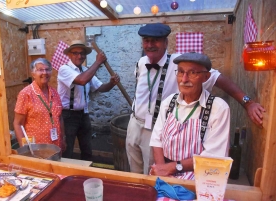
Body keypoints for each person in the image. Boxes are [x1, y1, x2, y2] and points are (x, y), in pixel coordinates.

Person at [126, 23, 265, 175]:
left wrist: (248, 103)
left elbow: (218, 78)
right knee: (134, 171)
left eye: (155, 41)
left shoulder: (181, 62)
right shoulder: (141, 63)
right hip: (134, 123)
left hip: (154, 128)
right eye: (146, 40)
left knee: (150, 173)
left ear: (166, 43)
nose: (150, 45)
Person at [149, 52, 230, 179]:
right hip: (165, 171)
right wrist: (162, 170)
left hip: (199, 175)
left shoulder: (218, 108)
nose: (184, 79)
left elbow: (213, 157)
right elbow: (156, 140)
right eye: (181, 72)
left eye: (192, 73)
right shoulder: (168, 103)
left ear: (206, 77)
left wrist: (173, 168)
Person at [58, 40, 120, 160]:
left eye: (82, 53)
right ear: (69, 55)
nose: (79, 56)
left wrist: (112, 83)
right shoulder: (64, 69)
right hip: (68, 116)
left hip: (84, 115)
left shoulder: (86, 70)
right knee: (68, 149)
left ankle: (87, 175)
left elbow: (101, 88)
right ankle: (67, 176)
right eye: (75, 53)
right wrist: (98, 62)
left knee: (87, 149)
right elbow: (82, 80)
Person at [13, 58, 66, 151]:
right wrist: (25, 148)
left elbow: (59, 117)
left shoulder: (54, 92)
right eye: (40, 70)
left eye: (47, 69)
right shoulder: (26, 94)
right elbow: (18, 124)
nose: (45, 73)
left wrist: (63, 139)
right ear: (33, 74)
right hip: (36, 149)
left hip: (56, 145)